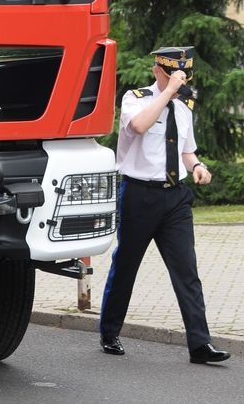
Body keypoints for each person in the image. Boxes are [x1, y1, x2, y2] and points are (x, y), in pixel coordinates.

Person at [99, 47, 230, 364]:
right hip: (139, 195)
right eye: (175, 74)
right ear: (158, 69)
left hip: (175, 198)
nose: (181, 81)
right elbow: (139, 127)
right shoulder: (136, 98)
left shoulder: (185, 107)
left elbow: (187, 149)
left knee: (187, 272)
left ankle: (200, 345)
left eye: (184, 76)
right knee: (126, 266)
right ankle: (110, 332)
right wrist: (167, 93)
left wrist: (197, 166)